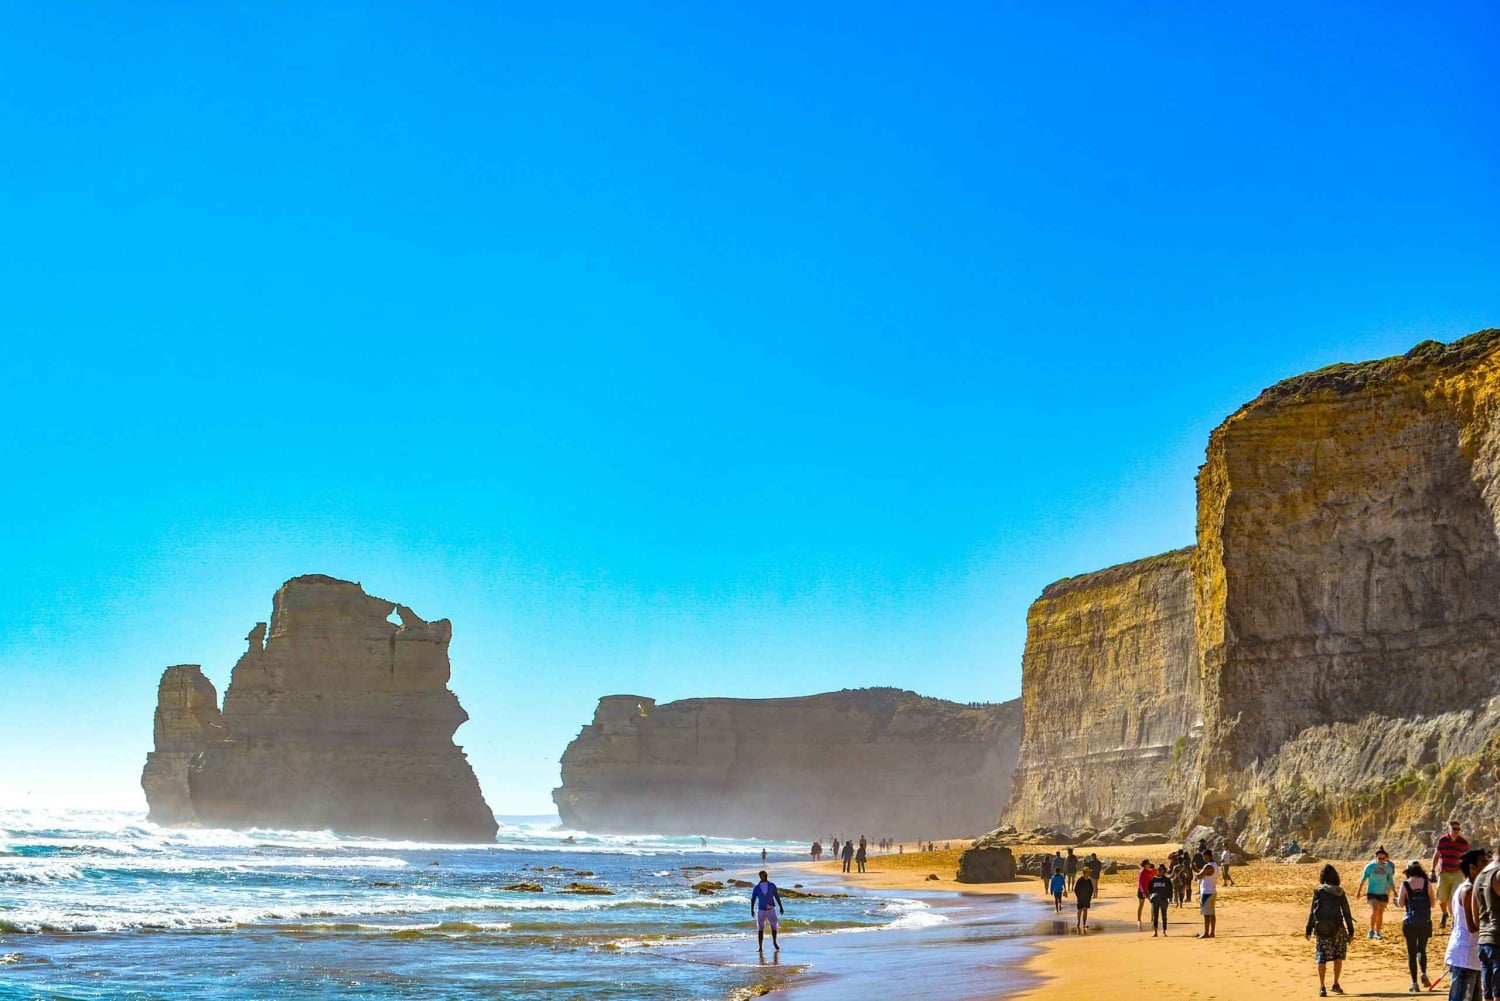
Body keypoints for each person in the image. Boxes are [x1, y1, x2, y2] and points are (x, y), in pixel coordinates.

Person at [1306, 863, 1356, 997]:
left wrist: (1308, 929)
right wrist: (1351, 932)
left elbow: (1312, 912)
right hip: (1338, 928)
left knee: (1321, 957)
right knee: (1338, 956)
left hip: (1321, 928)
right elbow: (1346, 913)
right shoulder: (1339, 892)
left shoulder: (1318, 892)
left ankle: (1322, 987)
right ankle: (1335, 983)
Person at [1444, 848, 1488, 1001]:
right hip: (1464, 956)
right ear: (1472, 868)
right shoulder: (1468, 890)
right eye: (1483, 862)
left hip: (1472, 957)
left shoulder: (1471, 888)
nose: (1487, 865)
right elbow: (1472, 926)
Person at [1399, 860, 1436, 992]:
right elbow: (1433, 903)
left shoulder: (1405, 884)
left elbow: (1401, 904)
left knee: (1411, 953)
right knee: (1422, 949)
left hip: (1410, 922)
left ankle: (1414, 983)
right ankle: (1424, 973)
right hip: (1425, 921)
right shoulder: (1427, 883)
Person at [1435, 820, 1472, 929]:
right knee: (1442, 898)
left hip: (1457, 873)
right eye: (1454, 829)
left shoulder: (1463, 842)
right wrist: (1432, 870)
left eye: (1458, 829)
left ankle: (1454, 920)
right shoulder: (1443, 840)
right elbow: (1437, 855)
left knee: (1454, 898)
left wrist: (1468, 871)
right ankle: (1444, 913)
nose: (1456, 831)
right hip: (1444, 873)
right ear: (1449, 829)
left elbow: (1468, 857)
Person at [1474, 847, 1500, 1001]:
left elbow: (1475, 916)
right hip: (1497, 938)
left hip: (1484, 939)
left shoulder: (1480, 876)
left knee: (1489, 994)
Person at [1357, 846, 1397, 940]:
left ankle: (1378, 932)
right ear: (1376, 857)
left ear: (1386, 858)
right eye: (1379, 858)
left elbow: (1390, 880)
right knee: (1374, 909)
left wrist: (1394, 891)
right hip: (1372, 892)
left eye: (1383, 858)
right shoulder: (1370, 866)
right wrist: (1359, 891)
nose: (1381, 860)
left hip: (1383, 893)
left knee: (1380, 913)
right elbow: (1363, 879)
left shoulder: (1388, 867)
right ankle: (1371, 930)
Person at [750, 870, 785, 952]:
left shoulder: (772, 885)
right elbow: (753, 899)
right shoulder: (756, 887)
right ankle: (760, 947)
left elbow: (776, 896)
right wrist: (751, 910)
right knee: (760, 929)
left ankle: (774, 942)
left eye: (765, 875)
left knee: (774, 927)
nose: (765, 876)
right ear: (760, 876)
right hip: (761, 910)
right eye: (763, 875)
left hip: (771, 909)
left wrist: (781, 907)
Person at [1196, 849, 1219, 939]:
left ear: (1208, 856)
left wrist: (1196, 872)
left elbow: (1199, 876)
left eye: (1204, 856)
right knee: (1212, 913)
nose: (1203, 858)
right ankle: (1212, 932)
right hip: (1212, 890)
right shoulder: (1215, 865)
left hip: (1206, 892)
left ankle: (1206, 933)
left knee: (1206, 914)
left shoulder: (1208, 866)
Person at [1148, 862, 1174, 936]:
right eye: (1158, 869)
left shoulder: (1167, 880)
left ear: (1164, 870)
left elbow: (1170, 890)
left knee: (1164, 916)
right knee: (1155, 916)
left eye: (1161, 869)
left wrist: (1169, 898)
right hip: (1155, 900)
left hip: (1164, 900)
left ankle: (1164, 931)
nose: (1159, 871)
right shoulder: (1153, 879)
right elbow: (1149, 889)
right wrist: (1150, 896)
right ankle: (1155, 932)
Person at [1074, 865, 1096, 931]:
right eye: (1088, 872)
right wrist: (1078, 896)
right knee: (1080, 910)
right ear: (1085, 872)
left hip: (1087, 898)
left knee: (1085, 910)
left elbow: (1091, 889)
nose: (1089, 873)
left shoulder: (1089, 880)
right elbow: (1076, 889)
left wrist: (1090, 896)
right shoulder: (1080, 880)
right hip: (1080, 898)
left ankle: (1084, 924)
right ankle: (1078, 922)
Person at [1137, 859, 1157, 928]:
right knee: (1141, 905)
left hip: (1148, 891)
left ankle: (1152, 919)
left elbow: (1155, 871)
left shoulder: (1149, 871)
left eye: (1149, 863)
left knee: (1153, 903)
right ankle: (1139, 920)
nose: (1149, 865)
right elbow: (1140, 883)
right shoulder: (1142, 872)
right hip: (1141, 891)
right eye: (1148, 864)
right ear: (1144, 865)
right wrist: (1143, 891)